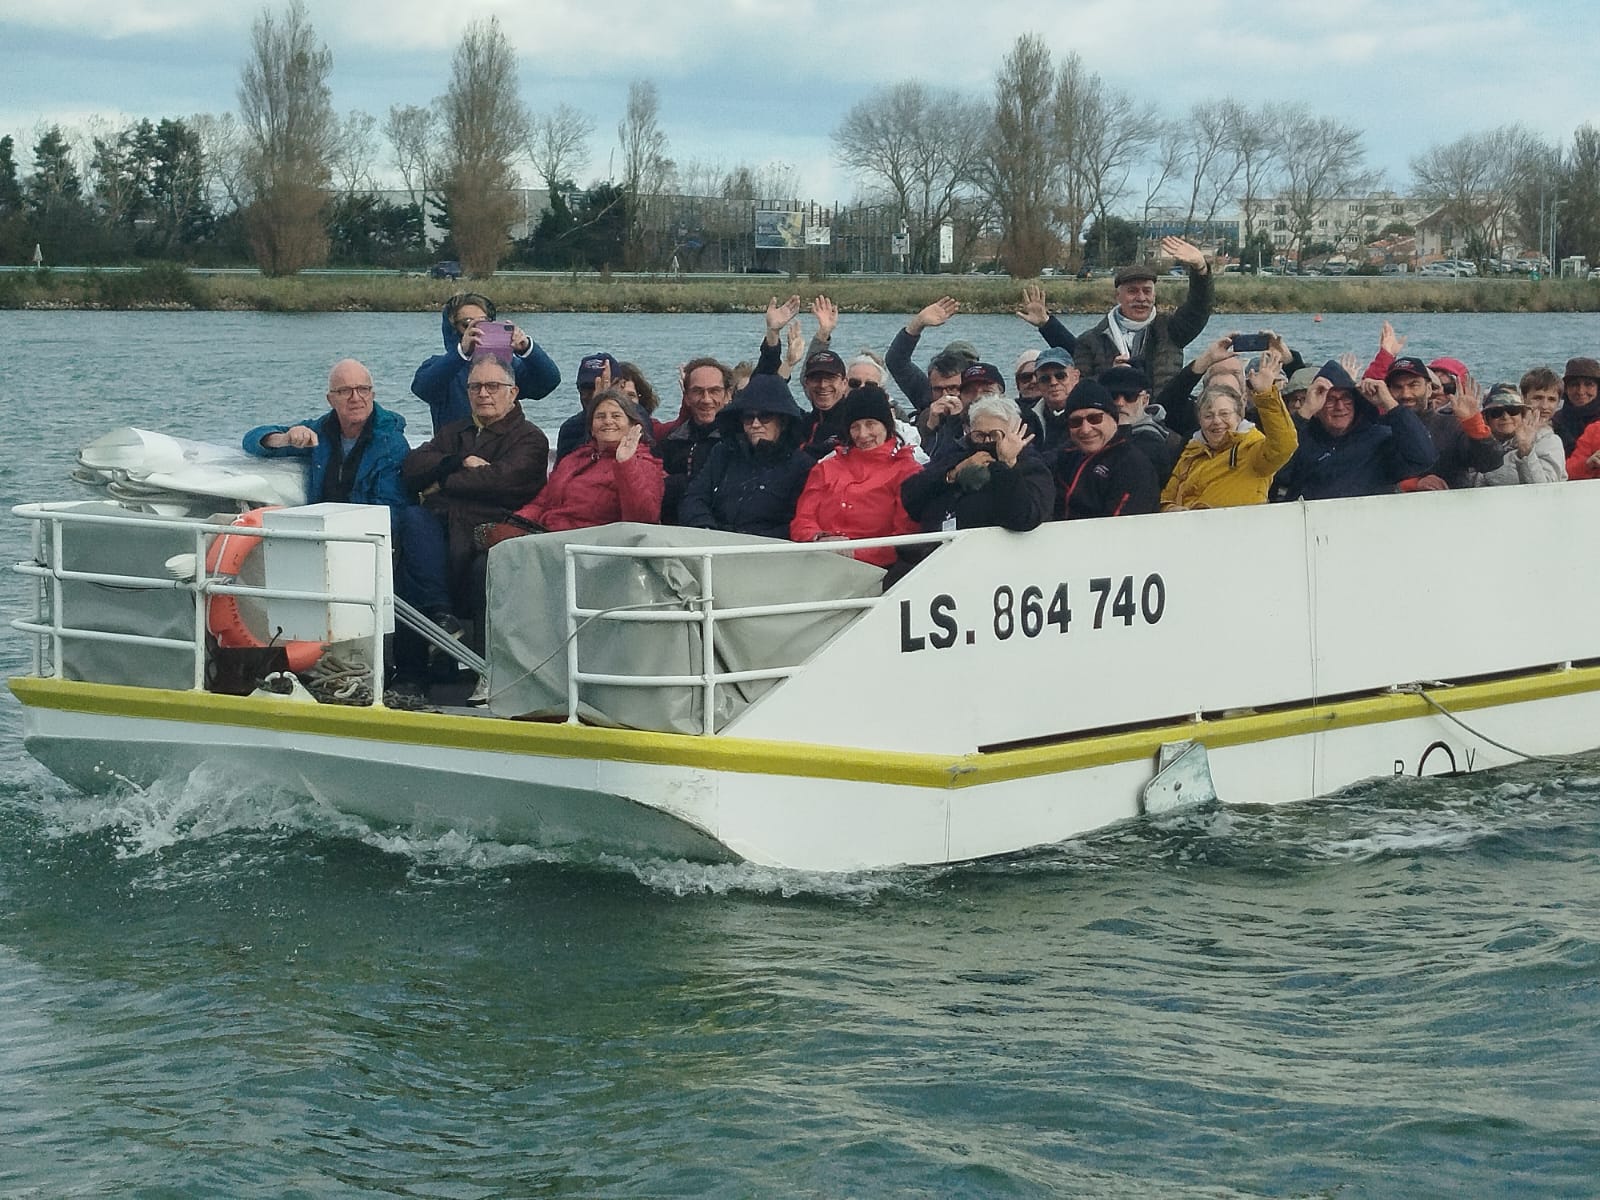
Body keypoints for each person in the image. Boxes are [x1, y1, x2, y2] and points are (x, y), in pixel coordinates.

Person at [398, 354, 550, 628]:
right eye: (474, 386)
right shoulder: (455, 431)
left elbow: (500, 481)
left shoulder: (530, 438)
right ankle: (439, 619)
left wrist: (443, 482)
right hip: (442, 523)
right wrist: (458, 461)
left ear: (513, 392)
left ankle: (444, 624)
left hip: (490, 527)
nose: (482, 394)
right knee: (411, 520)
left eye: (492, 386)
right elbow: (413, 466)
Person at [480, 388, 664, 538]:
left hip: (592, 549)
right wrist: (516, 525)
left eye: (616, 416)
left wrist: (625, 464)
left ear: (633, 426)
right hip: (548, 537)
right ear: (591, 428)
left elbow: (642, 521)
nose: (608, 421)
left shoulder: (643, 464)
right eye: (600, 416)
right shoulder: (575, 459)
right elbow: (543, 502)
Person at [242, 358, 410, 511]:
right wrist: (284, 439)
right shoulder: (320, 433)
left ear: (372, 395)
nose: (355, 398)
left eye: (362, 389)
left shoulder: (391, 443)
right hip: (320, 527)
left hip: (366, 535)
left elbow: (391, 511)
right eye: (345, 391)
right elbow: (251, 439)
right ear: (330, 400)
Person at [790, 385, 922, 568]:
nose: (862, 434)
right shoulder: (826, 468)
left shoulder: (907, 471)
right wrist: (819, 539)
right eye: (855, 426)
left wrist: (853, 553)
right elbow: (802, 521)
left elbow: (904, 539)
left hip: (876, 570)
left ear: (887, 425)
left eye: (870, 424)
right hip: (819, 562)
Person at [1271, 361, 1436, 501]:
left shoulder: (1380, 439)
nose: (1340, 407)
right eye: (1330, 399)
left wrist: (1389, 404)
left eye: (1346, 398)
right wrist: (1305, 411)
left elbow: (1424, 457)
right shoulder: (1302, 438)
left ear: (1357, 403)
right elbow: (1274, 471)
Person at [1072, 237, 1215, 394]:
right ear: (1117, 296)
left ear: (1154, 295)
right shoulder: (1090, 340)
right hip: (1113, 415)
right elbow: (1081, 388)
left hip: (1162, 414)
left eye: (1147, 291)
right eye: (1132, 291)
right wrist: (1111, 375)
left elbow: (1199, 308)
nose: (1141, 298)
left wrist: (1200, 270)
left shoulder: (1172, 329)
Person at [678, 373, 814, 539]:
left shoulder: (803, 466)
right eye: (749, 417)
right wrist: (705, 528)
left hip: (768, 552)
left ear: (783, 422)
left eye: (765, 417)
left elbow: (799, 522)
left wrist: (747, 540)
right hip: (714, 544)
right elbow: (694, 497)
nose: (755, 424)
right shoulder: (722, 453)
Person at [1160, 349, 1298, 510]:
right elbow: (1166, 498)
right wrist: (1171, 509)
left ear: (1239, 414)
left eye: (1224, 414)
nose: (1217, 421)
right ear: (1199, 419)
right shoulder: (1191, 451)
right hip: (1189, 531)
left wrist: (1266, 394)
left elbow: (1285, 445)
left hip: (1238, 530)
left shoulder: (1252, 448)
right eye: (1208, 416)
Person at [900, 394, 1053, 535]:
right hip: (941, 549)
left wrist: (1005, 466)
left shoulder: (1032, 467)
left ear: (1013, 433)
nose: (986, 442)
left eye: (994, 435)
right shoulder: (957, 456)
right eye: (980, 435)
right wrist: (953, 474)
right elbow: (910, 497)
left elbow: (1024, 518)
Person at [411, 292, 559, 434]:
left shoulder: (507, 365)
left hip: (502, 448)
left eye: (483, 323)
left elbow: (548, 382)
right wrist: (461, 353)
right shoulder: (440, 367)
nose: (476, 330)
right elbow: (422, 388)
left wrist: (527, 349)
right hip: (455, 451)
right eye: (467, 324)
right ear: (453, 330)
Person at [1052, 380, 1161, 519]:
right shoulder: (1065, 458)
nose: (1085, 429)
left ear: (1113, 419)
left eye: (1094, 418)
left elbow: (1122, 526)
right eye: (1076, 422)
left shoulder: (1132, 465)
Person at [657, 358, 733, 523]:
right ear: (686, 397)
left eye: (714, 391)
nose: (706, 399)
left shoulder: (738, 442)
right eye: (698, 391)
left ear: (728, 395)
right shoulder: (671, 441)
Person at [884, 297, 978, 412]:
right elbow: (896, 361)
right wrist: (917, 324)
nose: (945, 397)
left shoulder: (981, 400)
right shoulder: (926, 395)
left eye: (952, 388)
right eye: (938, 389)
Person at [1467, 383, 1565, 486]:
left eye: (1512, 411)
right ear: (1486, 419)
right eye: (1496, 412)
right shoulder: (1477, 444)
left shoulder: (1547, 441)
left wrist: (1526, 451)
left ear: (1523, 414)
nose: (1505, 417)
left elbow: (1545, 490)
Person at [1100, 363, 1182, 483]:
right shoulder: (1086, 429)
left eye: (1130, 396)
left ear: (1145, 400)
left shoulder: (1154, 443)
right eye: (1113, 396)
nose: (1120, 403)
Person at [1029, 348, 1081, 452]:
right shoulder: (1028, 418)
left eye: (1060, 376)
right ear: (1037, 383)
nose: (1053, 382)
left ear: (1075, 377)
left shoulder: (1089, 417)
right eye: (1045, 379)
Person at [1552, 357, 1600, 455]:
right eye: (1574, 385)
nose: (1581, 391)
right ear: (1565, 389)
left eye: (1588, 384)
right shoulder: (1555, 422)